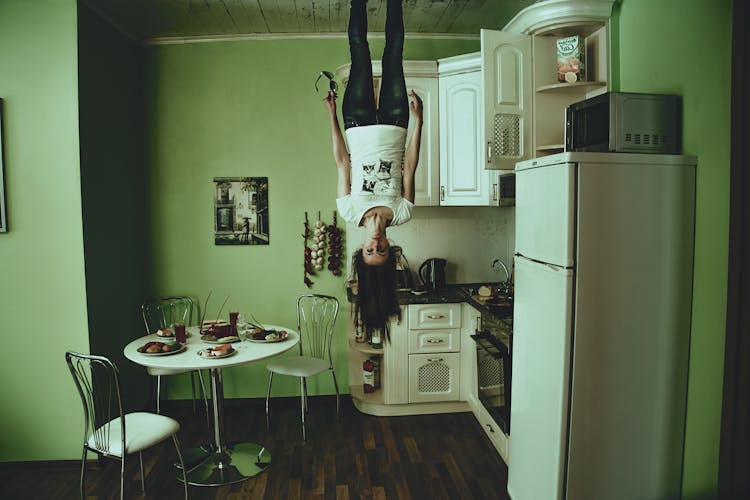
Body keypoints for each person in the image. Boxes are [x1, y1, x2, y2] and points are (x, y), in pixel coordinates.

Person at [324, 0, 423, 342]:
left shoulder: (349, 210)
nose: (376, 245)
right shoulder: (402, 211)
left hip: (356, 121)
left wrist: (332, 116)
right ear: (391, 251)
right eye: (382, 251)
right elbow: (409, 164)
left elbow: (342, 161)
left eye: (370, 251)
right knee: (394, 52)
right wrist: (418, 122)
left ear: (361, 251)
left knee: (360, 51)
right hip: (397, 121)